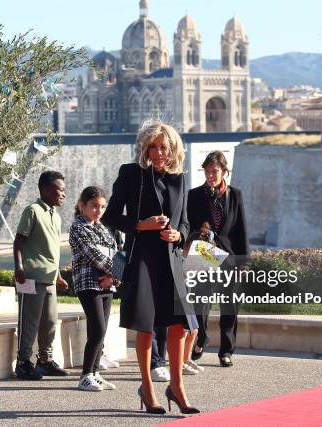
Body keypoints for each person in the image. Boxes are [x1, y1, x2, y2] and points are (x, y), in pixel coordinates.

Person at [102, 120, 199, 415]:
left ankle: (177, 387)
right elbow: (110, 216)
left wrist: (178, 234)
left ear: (173, 149)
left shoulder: (180, 179)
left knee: (179, 325)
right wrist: (141, 225)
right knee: (145, 325)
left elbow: (184, 221)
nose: (158, 152)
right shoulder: (131, 174)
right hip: (142, 257)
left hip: (171, 258)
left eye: (163, 147)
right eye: (152, 147)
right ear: (144, 148)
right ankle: (148, 388)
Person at [187, 151, 250, 367]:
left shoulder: (235, 195)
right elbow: (188, 228)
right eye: (207, 171)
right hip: (204, 255)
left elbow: (241, 229)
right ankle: (201, 337)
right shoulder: (194, 196)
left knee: (230, 306)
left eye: (215, 171)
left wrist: (244, 261)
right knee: (200, 303)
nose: (211, 175)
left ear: (224, 171)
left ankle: (226, 351)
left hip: (230, 257)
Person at [13, 171, 70, 380]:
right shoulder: (32, 211)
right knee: (29, 322)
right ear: (45, 190)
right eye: (59, 190)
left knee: (50, 323)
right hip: (30, 278)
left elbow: (51, 250)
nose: (63, 194)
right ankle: (23, 363)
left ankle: (45, 361)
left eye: (64, 190)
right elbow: (18, 242)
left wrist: (58, 275)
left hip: (49, 279)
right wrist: (18, 267)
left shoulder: (56, 216)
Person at [69, 186, 119, 392]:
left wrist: (114, 278)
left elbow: (115, 251)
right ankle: (85, 375)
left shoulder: (102, 227)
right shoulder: (78, 228)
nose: (99, 211)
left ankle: (96, 373)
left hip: (107, 285)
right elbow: (93, 254)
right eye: (94, 206)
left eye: (102, 207)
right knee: (97, 328)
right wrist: (116, 273)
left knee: (101, 330)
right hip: (88, 283)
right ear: (82, 206)